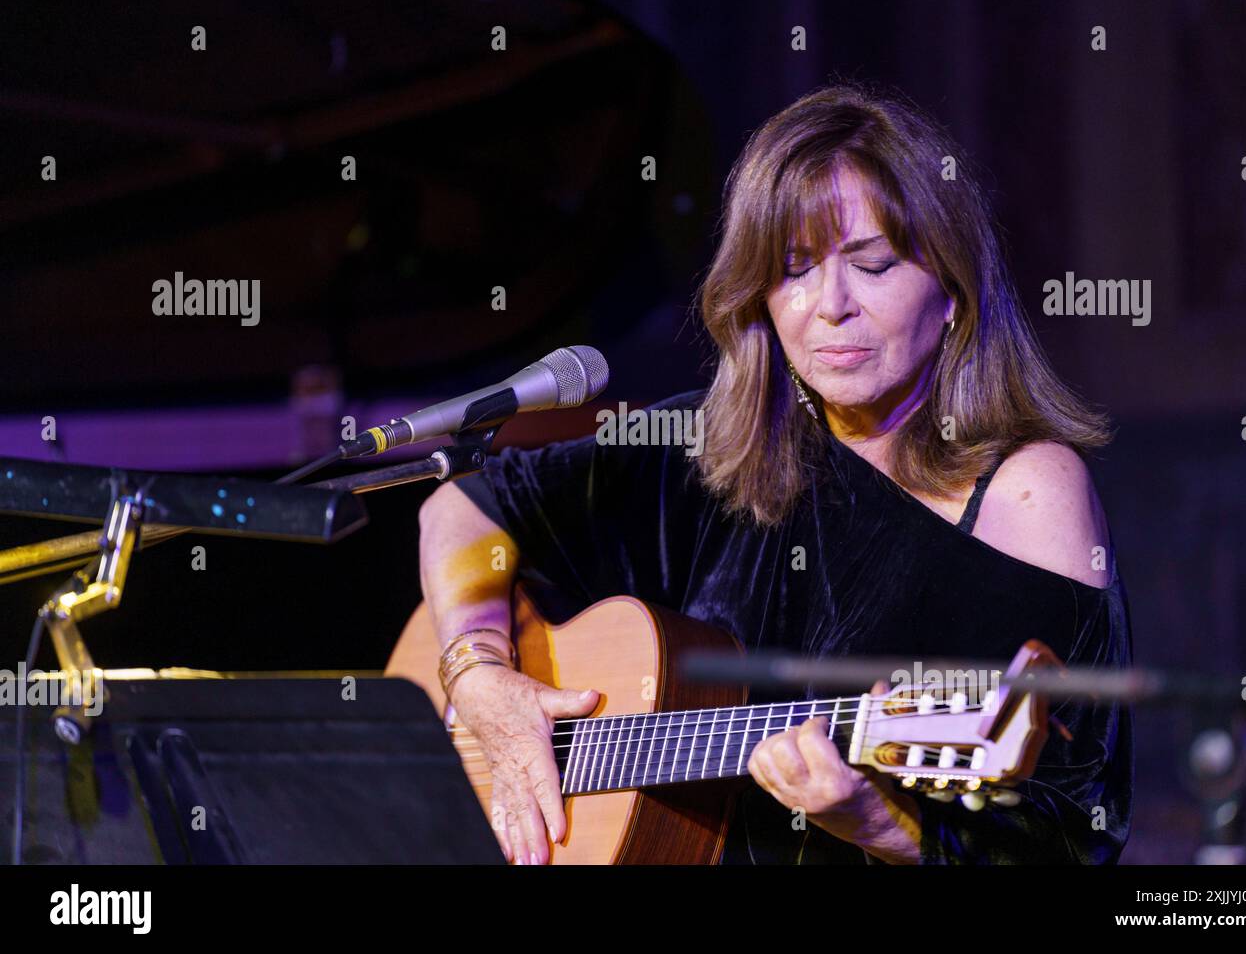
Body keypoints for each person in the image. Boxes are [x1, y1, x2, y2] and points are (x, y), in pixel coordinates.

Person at [387, 82, 1133, 865]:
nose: (829, 306)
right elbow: (462, 507)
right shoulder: (707, 445)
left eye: (872, 264)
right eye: (794, 269)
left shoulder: (1025, 490)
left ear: (951, 290)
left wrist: (883, 825)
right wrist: (478, 677)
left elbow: (1068, 833)